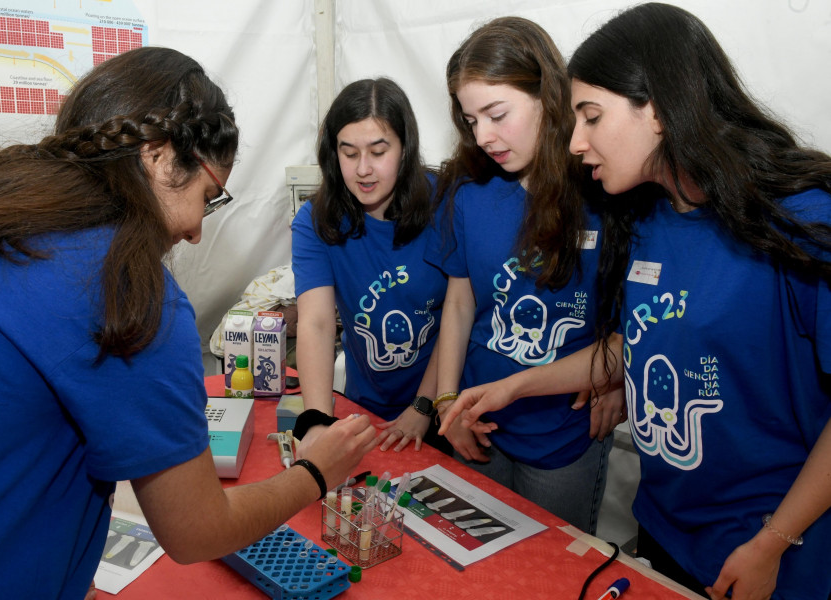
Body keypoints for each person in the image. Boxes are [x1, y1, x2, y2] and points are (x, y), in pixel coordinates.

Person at [0, 47, 377, 599]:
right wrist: (314, 473)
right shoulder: (123, 289)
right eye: (208, 198)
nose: (194, 232)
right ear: (160, 157)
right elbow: (198, 531)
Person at [444, 4, 831, 598]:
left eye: (591, 117)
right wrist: (516, 386)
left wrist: (773, 542)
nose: (574, 142)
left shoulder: (803, 220)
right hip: (667, 533)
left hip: (768, 550)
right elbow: (635, 344)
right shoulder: (647, 217)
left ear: (658, 109)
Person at [426, 16, 624, 535]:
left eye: (497, 114)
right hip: (478, 425)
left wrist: (619, 378)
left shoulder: (607, 191)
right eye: (471, 120)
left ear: (549, 96)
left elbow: (634, 325)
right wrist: (448, 404)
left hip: (564, 439)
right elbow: (460, 303)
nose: (484, 136)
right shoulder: (468, 193)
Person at [291, 78, 450, 454]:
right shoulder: (315, 221)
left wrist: (423, 405)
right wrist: (317, 421)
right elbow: (315, 322)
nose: (363, 169)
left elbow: (460, 315)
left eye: (378, 152)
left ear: (405, 148)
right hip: (364, 404)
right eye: (349, 153)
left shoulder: (445, 205)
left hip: (442, 401)